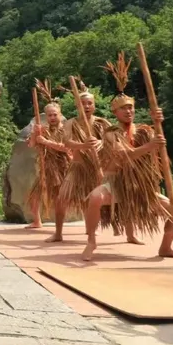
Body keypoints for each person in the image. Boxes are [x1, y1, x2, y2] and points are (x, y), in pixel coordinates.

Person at [80, 53, 173, 262]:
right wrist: (150, 145)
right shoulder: (110, 133)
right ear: (115, 112)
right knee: (95, 198)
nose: (128, 111)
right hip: (115, 184)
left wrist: (158, 123)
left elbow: (157, 150)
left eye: (131, 108)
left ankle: (165, 247)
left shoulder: (144, 131)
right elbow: (123, 155)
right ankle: (91, 241)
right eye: (123, 109)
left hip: (140, 186)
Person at [57, 88, 111, 244]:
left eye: (89, 103)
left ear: (94, 105)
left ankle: (91, 230)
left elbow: (114, 138)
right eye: (83, 103)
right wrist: (83, 145)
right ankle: (58, 233)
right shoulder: (70, 123)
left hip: (96, 167)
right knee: (61, 198)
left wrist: (101, 142)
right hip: (78, 166)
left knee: (93, 199)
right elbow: (66, 141)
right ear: (77, 105)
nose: (86, 106)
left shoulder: (102, 123)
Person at [26, 101, 71, 240]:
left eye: (55, 115)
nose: (52, 117)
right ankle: (37, 221)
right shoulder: (43, 130)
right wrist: (35, 133)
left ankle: (89, 225)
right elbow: (31, 145)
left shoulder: (67, 129)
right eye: (49, 115)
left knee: (65, 198)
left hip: (64, 167)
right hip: (47, 167)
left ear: (60, 114)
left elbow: (66, 148)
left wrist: (46, 142)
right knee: (34, 195)